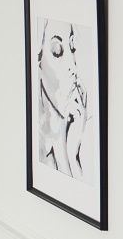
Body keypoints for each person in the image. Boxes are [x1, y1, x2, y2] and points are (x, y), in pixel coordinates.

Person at [35, 18, 89, 180]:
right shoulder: (39, 151)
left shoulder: (80, 126)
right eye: (58, 52)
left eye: (72, 48)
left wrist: (72, 153)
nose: (72, 66)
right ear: (38, 66)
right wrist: (66, 155)